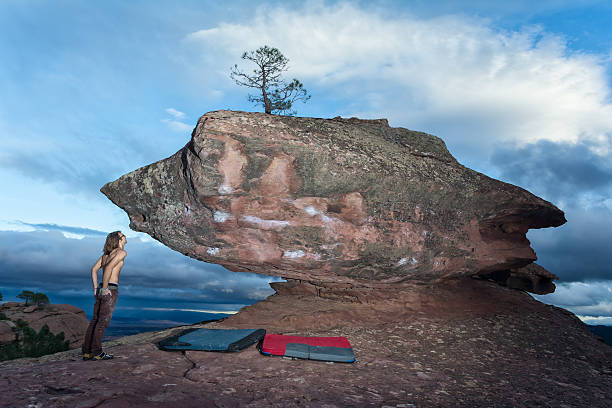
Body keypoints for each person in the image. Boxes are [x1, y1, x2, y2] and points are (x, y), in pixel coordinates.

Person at [81, 231, 127, 360]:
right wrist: (106, 288)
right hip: (109, 289)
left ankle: (87, 352)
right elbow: (108, 269)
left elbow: (94, 270)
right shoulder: (121, 253)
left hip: (101, 288)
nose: (124, 236)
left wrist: (97, 288)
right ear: (118, 239)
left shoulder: (106, 255)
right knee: (102, 322)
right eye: (122, 235)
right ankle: (97, 353)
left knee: (95, 320)